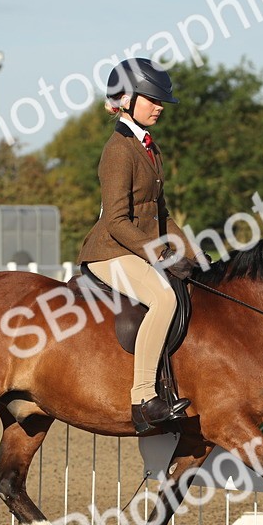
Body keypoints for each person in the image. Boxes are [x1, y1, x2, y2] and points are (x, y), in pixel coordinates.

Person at [77, 57, 203, 434]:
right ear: (127, 99)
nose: (159, 106)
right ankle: (144, 399)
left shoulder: (149, 146)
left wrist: (194, 254)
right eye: (152, 99)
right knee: (164, 300)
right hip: (110, 251)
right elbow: (116, 221)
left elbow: (161, 214)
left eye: (160, 100)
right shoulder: (118, 150)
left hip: (135, 248)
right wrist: (162, 254)